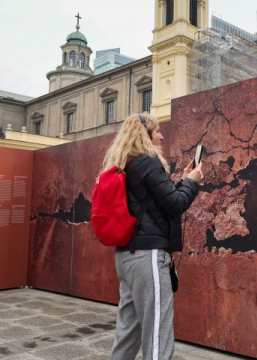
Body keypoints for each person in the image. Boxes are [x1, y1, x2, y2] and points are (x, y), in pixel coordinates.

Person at [105, 113, 204, 360]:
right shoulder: (149, 162)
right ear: (145, 135)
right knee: (158, 331)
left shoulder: (125, 164)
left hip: (126, 257)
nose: (161, 135)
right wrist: (193, 183)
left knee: (128, 330)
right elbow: (175, 204)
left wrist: (182, 180)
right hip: (147, 258)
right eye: (156, 130)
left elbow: (159, 201)